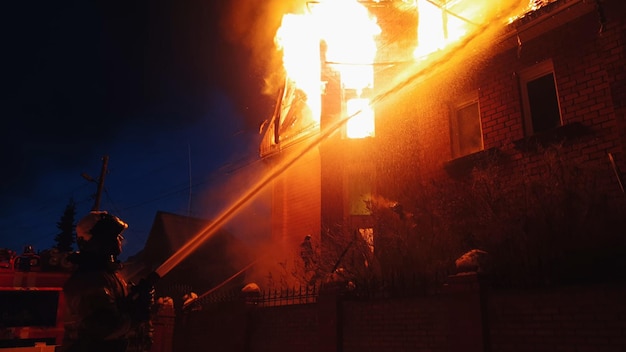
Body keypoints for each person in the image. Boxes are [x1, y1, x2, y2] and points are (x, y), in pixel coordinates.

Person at [59, 211, 156, 352]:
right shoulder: (89, 278)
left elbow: (114, 311)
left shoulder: (106, 274)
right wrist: (139, 309)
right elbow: (107, 328)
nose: (120, 239)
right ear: (100, 240)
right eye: (115, 235)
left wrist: (134, 298)